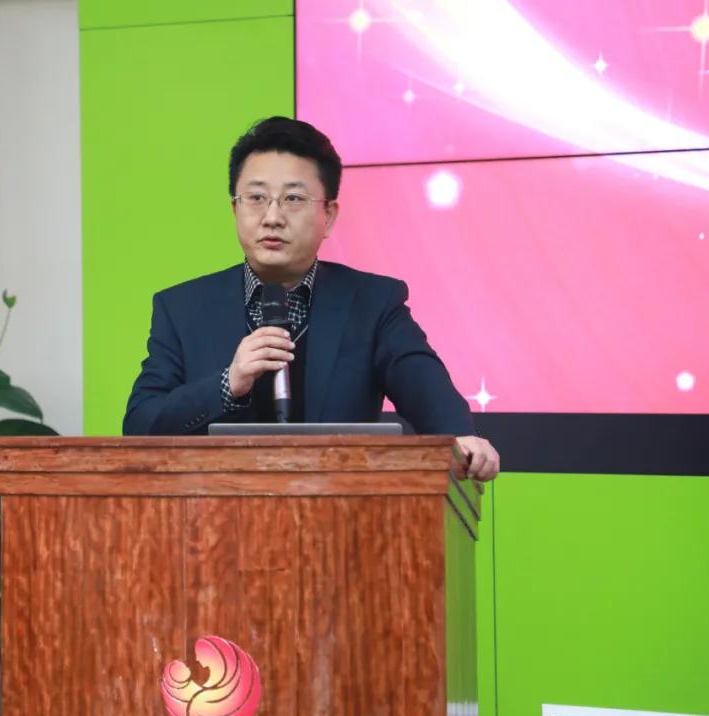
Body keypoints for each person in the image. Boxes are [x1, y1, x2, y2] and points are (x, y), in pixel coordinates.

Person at [123, 117, 500, 481]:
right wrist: (228, 383)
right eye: (256, 198)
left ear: (329, 215)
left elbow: (426, 389)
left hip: (341, 512)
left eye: (293, 198)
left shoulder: (372, 303)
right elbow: (140, 427)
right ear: (235, 209)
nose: (272, 217)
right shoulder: (182, 309)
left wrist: (461, 438)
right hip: (213, 516)